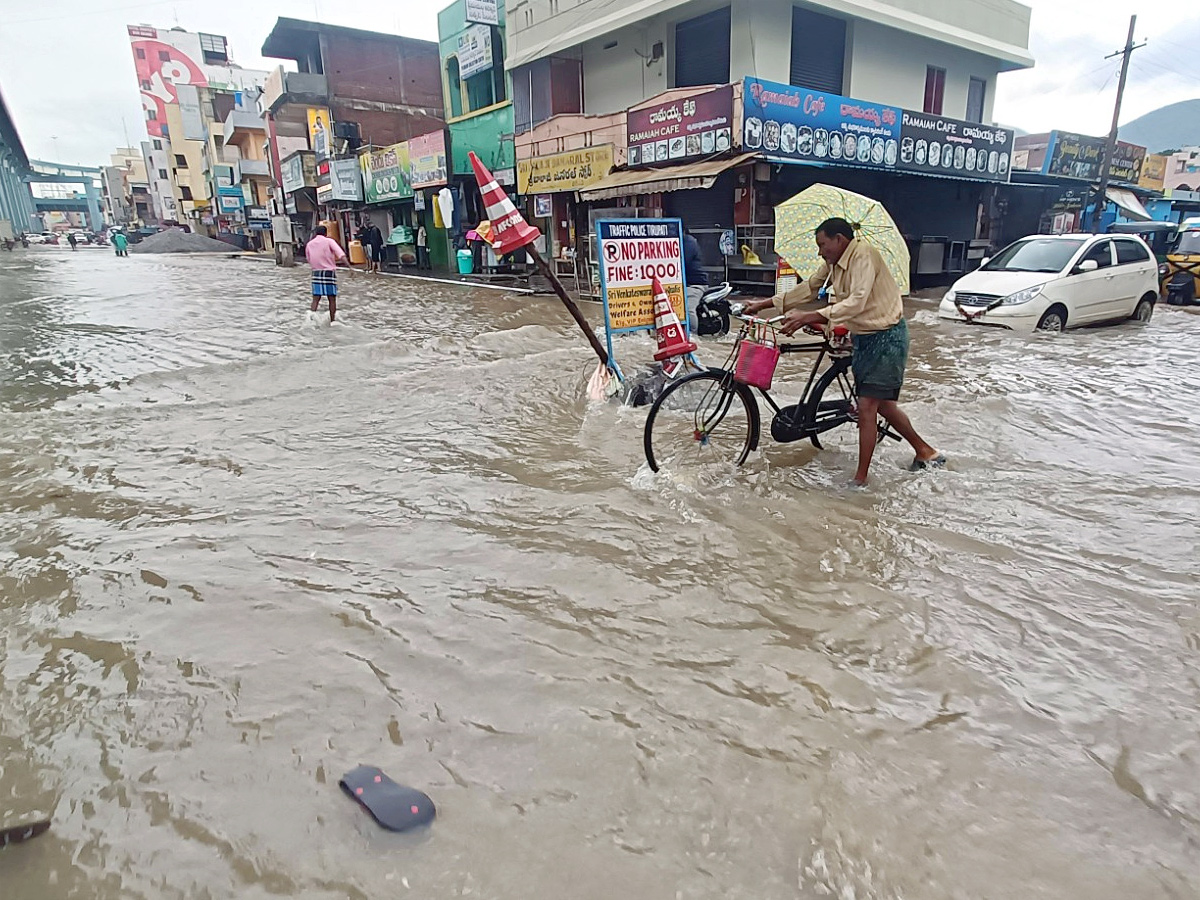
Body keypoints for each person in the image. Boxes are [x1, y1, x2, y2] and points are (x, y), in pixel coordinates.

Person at [742, 217, 943, 486]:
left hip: (886, 337)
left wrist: (810, 315)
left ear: (840, 239)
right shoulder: (833, 263)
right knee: (883, 405)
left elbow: (856, 301)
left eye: (823, 245)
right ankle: (925, 451)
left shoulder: (864, 256)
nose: (820, 251)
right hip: (863, 336)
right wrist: (763, 304)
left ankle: (860, 480)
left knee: (868, 406)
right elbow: (810, 287)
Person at [304, 225, 350, 323]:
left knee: (316, 298)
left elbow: (308, 259)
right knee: (332, 298)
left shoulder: (310, 244)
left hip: (316, 272)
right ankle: (332, 321)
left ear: (316, 233)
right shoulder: (329, 241)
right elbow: (341, 255)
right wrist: (350, 267)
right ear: (325, 233)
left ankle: (311, 320)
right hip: (329, 272)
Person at [682, 230, 708, 331]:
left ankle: (692, 336)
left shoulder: (688, 242)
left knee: (687, 309)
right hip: (681, 285)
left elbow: (683, 261)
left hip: (694, 284)